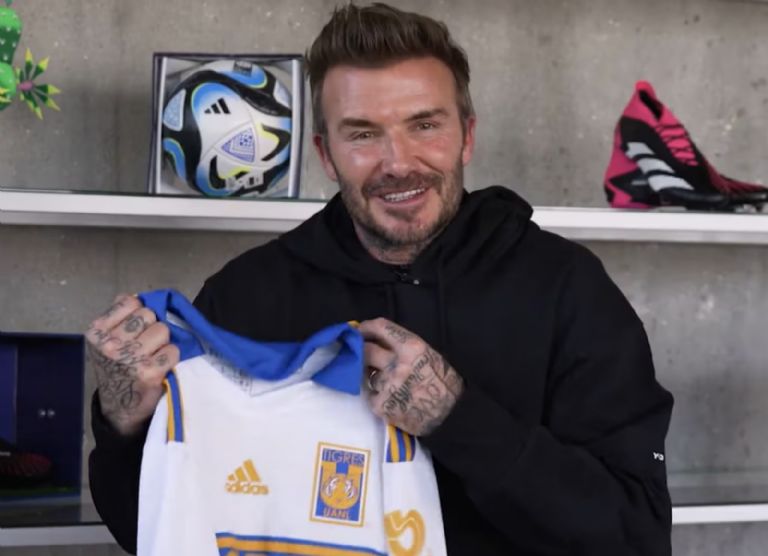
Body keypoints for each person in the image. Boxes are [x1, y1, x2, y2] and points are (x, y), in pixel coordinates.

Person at [87, 3, 674, 555]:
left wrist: (458, 420)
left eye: (424, 125)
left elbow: (636, 535)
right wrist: (124, 422)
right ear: (326, 153)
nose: (397, 162)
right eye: (363, 133)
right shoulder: (247, 293)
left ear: (467, 136)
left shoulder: (566, 287)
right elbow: (152, 529)